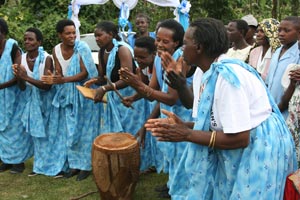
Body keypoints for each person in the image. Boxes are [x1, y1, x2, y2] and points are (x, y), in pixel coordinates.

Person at [145, 18, 296, 199]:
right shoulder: (204, 70)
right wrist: (185, 122)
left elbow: (240, 138)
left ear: (199, 47)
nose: (182, 49)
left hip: (258, 146)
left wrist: (185, 134)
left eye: (185, 44)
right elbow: (212, 118)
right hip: (243, 139)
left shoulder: (227, 78)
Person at [119, 19, 194, 198]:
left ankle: (182, 191)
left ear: (176, 43)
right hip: (168, 112)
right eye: (158, 40)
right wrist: (135, 87)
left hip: (183, 114)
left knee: (184, 156)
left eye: (165, 41)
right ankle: (172, 185)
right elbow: (153, 90)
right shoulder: (159, 59)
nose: (159, 44)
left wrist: (139, 85)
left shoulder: (180, 59)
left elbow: (172, 98)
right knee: (173, 155)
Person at [42, 19, 99, 181]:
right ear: (60, 35)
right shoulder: (55, 50)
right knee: (69, 131)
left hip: (83, 94)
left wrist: (63, 80)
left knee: (84, 131)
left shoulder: (82, 47)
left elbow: (84, 73)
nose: (72, 36)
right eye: (68, 33)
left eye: (74, 32)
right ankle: (74, 164)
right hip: (65, 94)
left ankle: (86, 166)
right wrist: (55, 77)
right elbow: (60, 71)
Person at [84, 20, 145, 137]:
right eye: (95, 36)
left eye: (99, 35)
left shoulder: (122, 50)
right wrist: (95, 81)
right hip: (115, 97)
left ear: (111, 34)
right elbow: (104, 78)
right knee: (116, 136)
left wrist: (104, 88)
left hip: (130, 98)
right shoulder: (102, 51)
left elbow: (128, 79)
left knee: (130, 135)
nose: (96, 39)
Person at [12, 27, 54, 177]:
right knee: (37, 136)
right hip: (30, 100)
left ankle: (53, 166)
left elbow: (47, 86)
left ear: (39, 42)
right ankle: (39, 166)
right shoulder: (21, 58)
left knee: (48, 135)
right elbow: (22, 87)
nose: (27, 42)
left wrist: (26, 77)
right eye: (25, 39)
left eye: (31, 39)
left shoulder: (47, 58)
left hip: (46, 101)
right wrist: (19, 77)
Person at [0, 18, 33, 174]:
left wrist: (2, 86)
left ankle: (18, 162)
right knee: (2, 130)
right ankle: (7, 160)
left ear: (3, 33)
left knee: (15, 129)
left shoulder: (13, 47)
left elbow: (19, 74)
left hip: (15, 96)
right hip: (1, 97)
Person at [266, 16, 300, 119]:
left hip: (286, 112)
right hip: (270, 109)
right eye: (279, 30)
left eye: (287, 30)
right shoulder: (277, 51)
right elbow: (269, 82)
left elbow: (293, 86)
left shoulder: (298, 53)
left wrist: (277, 109)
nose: (281, 34)